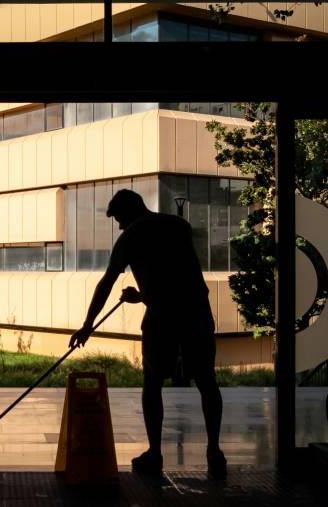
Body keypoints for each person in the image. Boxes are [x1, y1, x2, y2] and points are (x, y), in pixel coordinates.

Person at [69, 189, 227, 479]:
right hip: (196, 312)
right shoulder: (180, 227)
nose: (118, 226)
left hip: (161, 318)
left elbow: (106, 283)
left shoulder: (130, 238)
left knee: (152, 383)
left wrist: (88, 325)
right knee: (207, 381)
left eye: (118, 219)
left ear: (128, 212)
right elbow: (177, 276)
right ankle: (214, 451)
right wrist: (142, 295)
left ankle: (155, 453)